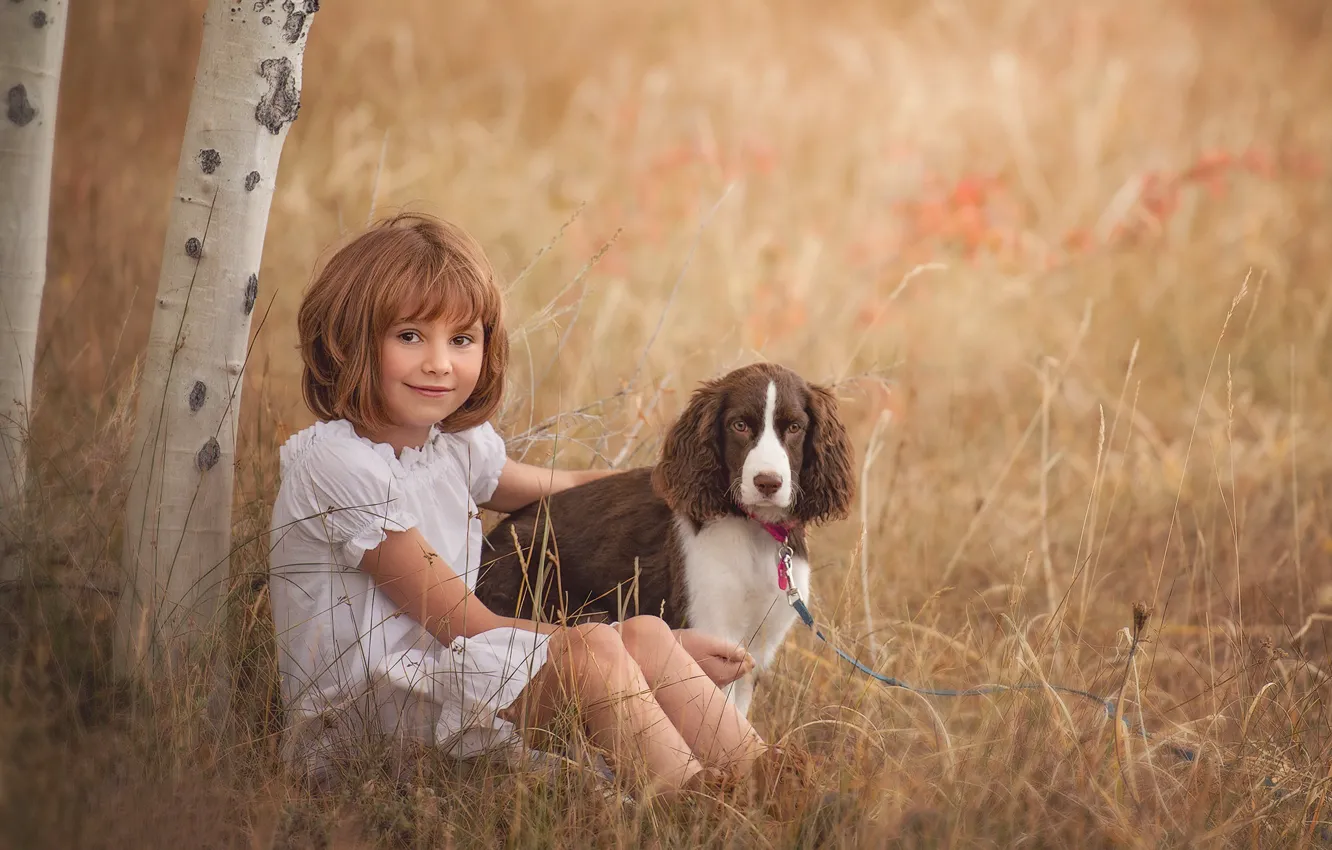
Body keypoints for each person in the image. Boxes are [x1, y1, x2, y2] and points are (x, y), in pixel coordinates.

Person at [267, 211, 801, 801]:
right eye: (410, 336)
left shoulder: (450, 445)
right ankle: (690, 807)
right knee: (603, 647)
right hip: (371, 719)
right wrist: (664, 648)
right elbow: (465, 623)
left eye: (461, 340)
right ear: (347, 339)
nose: (439, 362)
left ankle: (768, 787)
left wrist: (696, 483)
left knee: (645, 632)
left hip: (451, 682)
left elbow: (566, 484)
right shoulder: (339, 466)